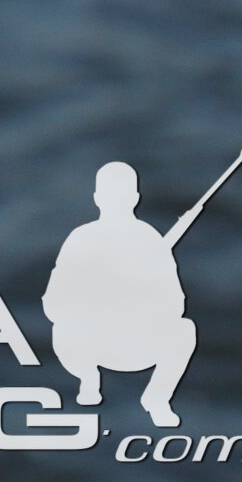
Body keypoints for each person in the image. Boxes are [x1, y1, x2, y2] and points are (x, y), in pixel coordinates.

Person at [47, 161, 200, 427]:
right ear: (135, 198)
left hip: (136, 344)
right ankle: (88, 380)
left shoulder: (149, 241)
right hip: (91, 345)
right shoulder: (82, 239)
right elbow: (55, 303)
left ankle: (157, 398)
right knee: (63, 328)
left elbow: (175, 305)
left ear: (97, 198)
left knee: (184, 330)